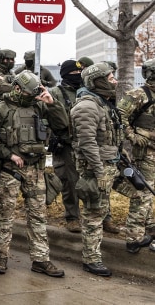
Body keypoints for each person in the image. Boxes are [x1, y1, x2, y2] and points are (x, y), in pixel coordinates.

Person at [0, 71, 64, 277]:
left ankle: (41, 259)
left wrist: (51, 103)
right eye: (30, 93)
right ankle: (1, 258)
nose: (33, 97)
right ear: (17, 88)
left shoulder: (40, 106)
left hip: (36, 170)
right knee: (5, 216)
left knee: (38, 216)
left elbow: (63, 126)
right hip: (9, 171)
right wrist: (8, 154)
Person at [70, 62, 122, 277]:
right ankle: (91, 259)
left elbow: (110, 136)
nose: (115, 81)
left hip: (108, 164)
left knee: (101, 210)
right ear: (98, 81)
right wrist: (99, 172)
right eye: (110, 78)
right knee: (93, 212)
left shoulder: (103, 104)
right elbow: (87, 143)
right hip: (95, 168)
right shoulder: (87, 107)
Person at [117, 58, 155, 253]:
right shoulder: (139, 94)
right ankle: (134, 238)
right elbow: (119, 115)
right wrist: (132, 136)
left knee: (150, 195)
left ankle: (149, 228)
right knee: (143, 194)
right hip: (146, 153)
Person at [45, 59, 84, 233]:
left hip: (86, 142)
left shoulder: (86, 92)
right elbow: (47, 117)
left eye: (79, 73)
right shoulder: (55, 92)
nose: (77, 76)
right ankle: (72, 216)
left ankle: (104, 217)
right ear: (65, 75)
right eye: (73, 74)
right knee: (69, 182)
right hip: (65, 144)